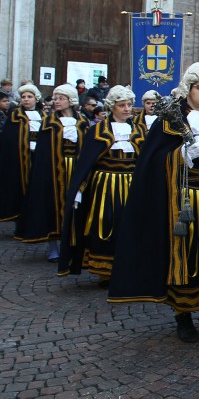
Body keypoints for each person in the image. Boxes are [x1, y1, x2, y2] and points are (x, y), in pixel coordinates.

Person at [108, 63, 199, 343]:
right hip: (183, 203)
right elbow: (153, 161)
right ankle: (183, 316)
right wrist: (181, 156)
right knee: (185, 256)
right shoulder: (170, 120)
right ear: (188, 89)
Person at [58, 85, 141, 284]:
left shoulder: (139, 130)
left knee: (130, 226)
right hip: (106, 185)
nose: (127, 109)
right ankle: (106, 270)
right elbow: (86, 162)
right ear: (113, 107)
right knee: (106, 224)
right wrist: (79, 188)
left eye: (129, 105)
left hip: (131, 184)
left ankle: (128, 267)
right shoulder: (98, 130)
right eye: (122, 105)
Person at [15, 84, 87, 261]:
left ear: (70, 101)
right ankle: (53, 246)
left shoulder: (82, 122)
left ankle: (72, 244)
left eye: (61, 98)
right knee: (53, 206)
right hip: (54, 169)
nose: (57, 102)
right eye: (56, 98)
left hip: (75, 167)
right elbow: (44, 149)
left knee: (75, 206)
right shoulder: (49, 123)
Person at [0, 84, 42, 223]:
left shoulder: (44, 116)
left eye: (29, 97)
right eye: (23, 97)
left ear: (36, 99)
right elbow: (9, 140)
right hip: (20, 159)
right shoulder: (15, 116)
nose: (26, 100)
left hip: (38, 157)